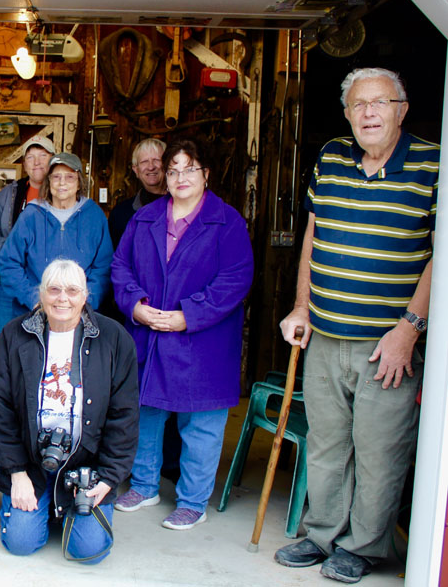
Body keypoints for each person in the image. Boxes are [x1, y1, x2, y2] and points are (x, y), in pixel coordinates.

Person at [274, 68, 437, 584]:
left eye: (380, 103)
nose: (369, 113)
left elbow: (443, 252)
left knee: (379, 450)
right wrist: (302, 307)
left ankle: (363, 546)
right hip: (324, 333)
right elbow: (314, 235)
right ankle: (321, 534)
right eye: (358, 104)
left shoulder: (435, 163)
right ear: (346, 113)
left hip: (387, 342)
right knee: (325, 443)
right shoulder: (332, 157)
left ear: (401, 109)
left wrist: (409, 329)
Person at [110, 138, 253, 531]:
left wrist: (187, 316)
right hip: (150, 332)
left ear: (205, 174)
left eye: (189, 169)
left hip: (203, 341)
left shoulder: (227, 221)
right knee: (147, 413)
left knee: (201, 423)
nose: (180, 177)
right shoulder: (145, 219)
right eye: (173, 170)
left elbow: (235, 280)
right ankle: (144, 485)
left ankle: (192, 500)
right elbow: (120, 267)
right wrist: (135, 305)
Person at [0, 259, 138, 563]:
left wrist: (108, 479)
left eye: (72, 290)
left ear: (85, 296)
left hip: (87, 467)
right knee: (20, 543)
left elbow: (125, 416)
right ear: (41, 294)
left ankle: (66, 512)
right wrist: (16, 473)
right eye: (54, 290)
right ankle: (42, 508)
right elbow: (0, 407)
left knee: (89, 552)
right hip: (31, 463)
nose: (62, 298)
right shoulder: (14, 335)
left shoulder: (114, 338)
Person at [0, 152, 113, 323]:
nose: (62, 183)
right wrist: (33, 298)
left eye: (69, 177)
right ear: (49, 181)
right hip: (34, 312)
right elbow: (9, 262)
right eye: (56, 177)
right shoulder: (31, 215)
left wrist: (85, 301)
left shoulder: (94, 215)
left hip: (80, 314)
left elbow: (103, 267)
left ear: (79, 182)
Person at [0, 135, 55, 339]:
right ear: (24, 164)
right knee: (4, 344)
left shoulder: (62, 195)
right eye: (31, 157)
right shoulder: (8, 195)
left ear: (53, 160)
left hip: (46, 285)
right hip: (7, 283)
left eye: (43, 155)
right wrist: (11, 250)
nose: (37, 162)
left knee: (42, 349)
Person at [108, 138, 166, 248]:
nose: (151, 167)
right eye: (144, 162)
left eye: (157, 160)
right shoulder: (120, 214)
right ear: (136, 170)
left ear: (168, 165)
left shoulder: (183, 209)